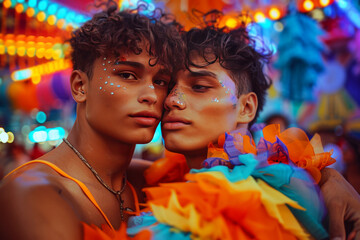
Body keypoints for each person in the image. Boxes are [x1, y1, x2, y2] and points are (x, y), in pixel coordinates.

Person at [137, 12, 360, 240]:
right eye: (167, 85)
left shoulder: (261, 197)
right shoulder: (166, 179)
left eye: (200, 86)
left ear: (246, 108)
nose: (171, 100)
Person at [0, 6, 184, 240]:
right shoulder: (31, 194)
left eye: (160, 81)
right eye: (127, 75)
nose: (151, 95)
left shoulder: (154, 180)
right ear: (80, 86)